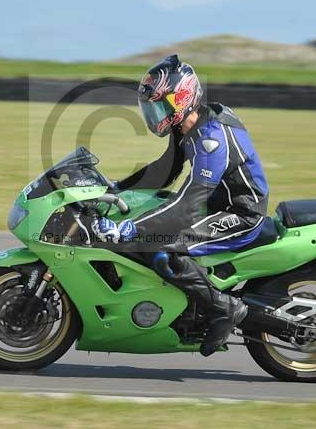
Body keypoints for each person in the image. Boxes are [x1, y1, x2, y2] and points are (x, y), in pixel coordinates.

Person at [90, 54, 269, 356]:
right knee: (147, 221)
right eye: (152, 107)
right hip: (214, 204)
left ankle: (225, 309)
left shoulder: (211, 139)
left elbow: (187, 204)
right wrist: (115, 189)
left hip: (240, 213)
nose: (155, 114)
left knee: (164, 248)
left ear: (182, 98)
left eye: (160, 105)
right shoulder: (186, 126)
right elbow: (164, 171)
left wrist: (130, 227)